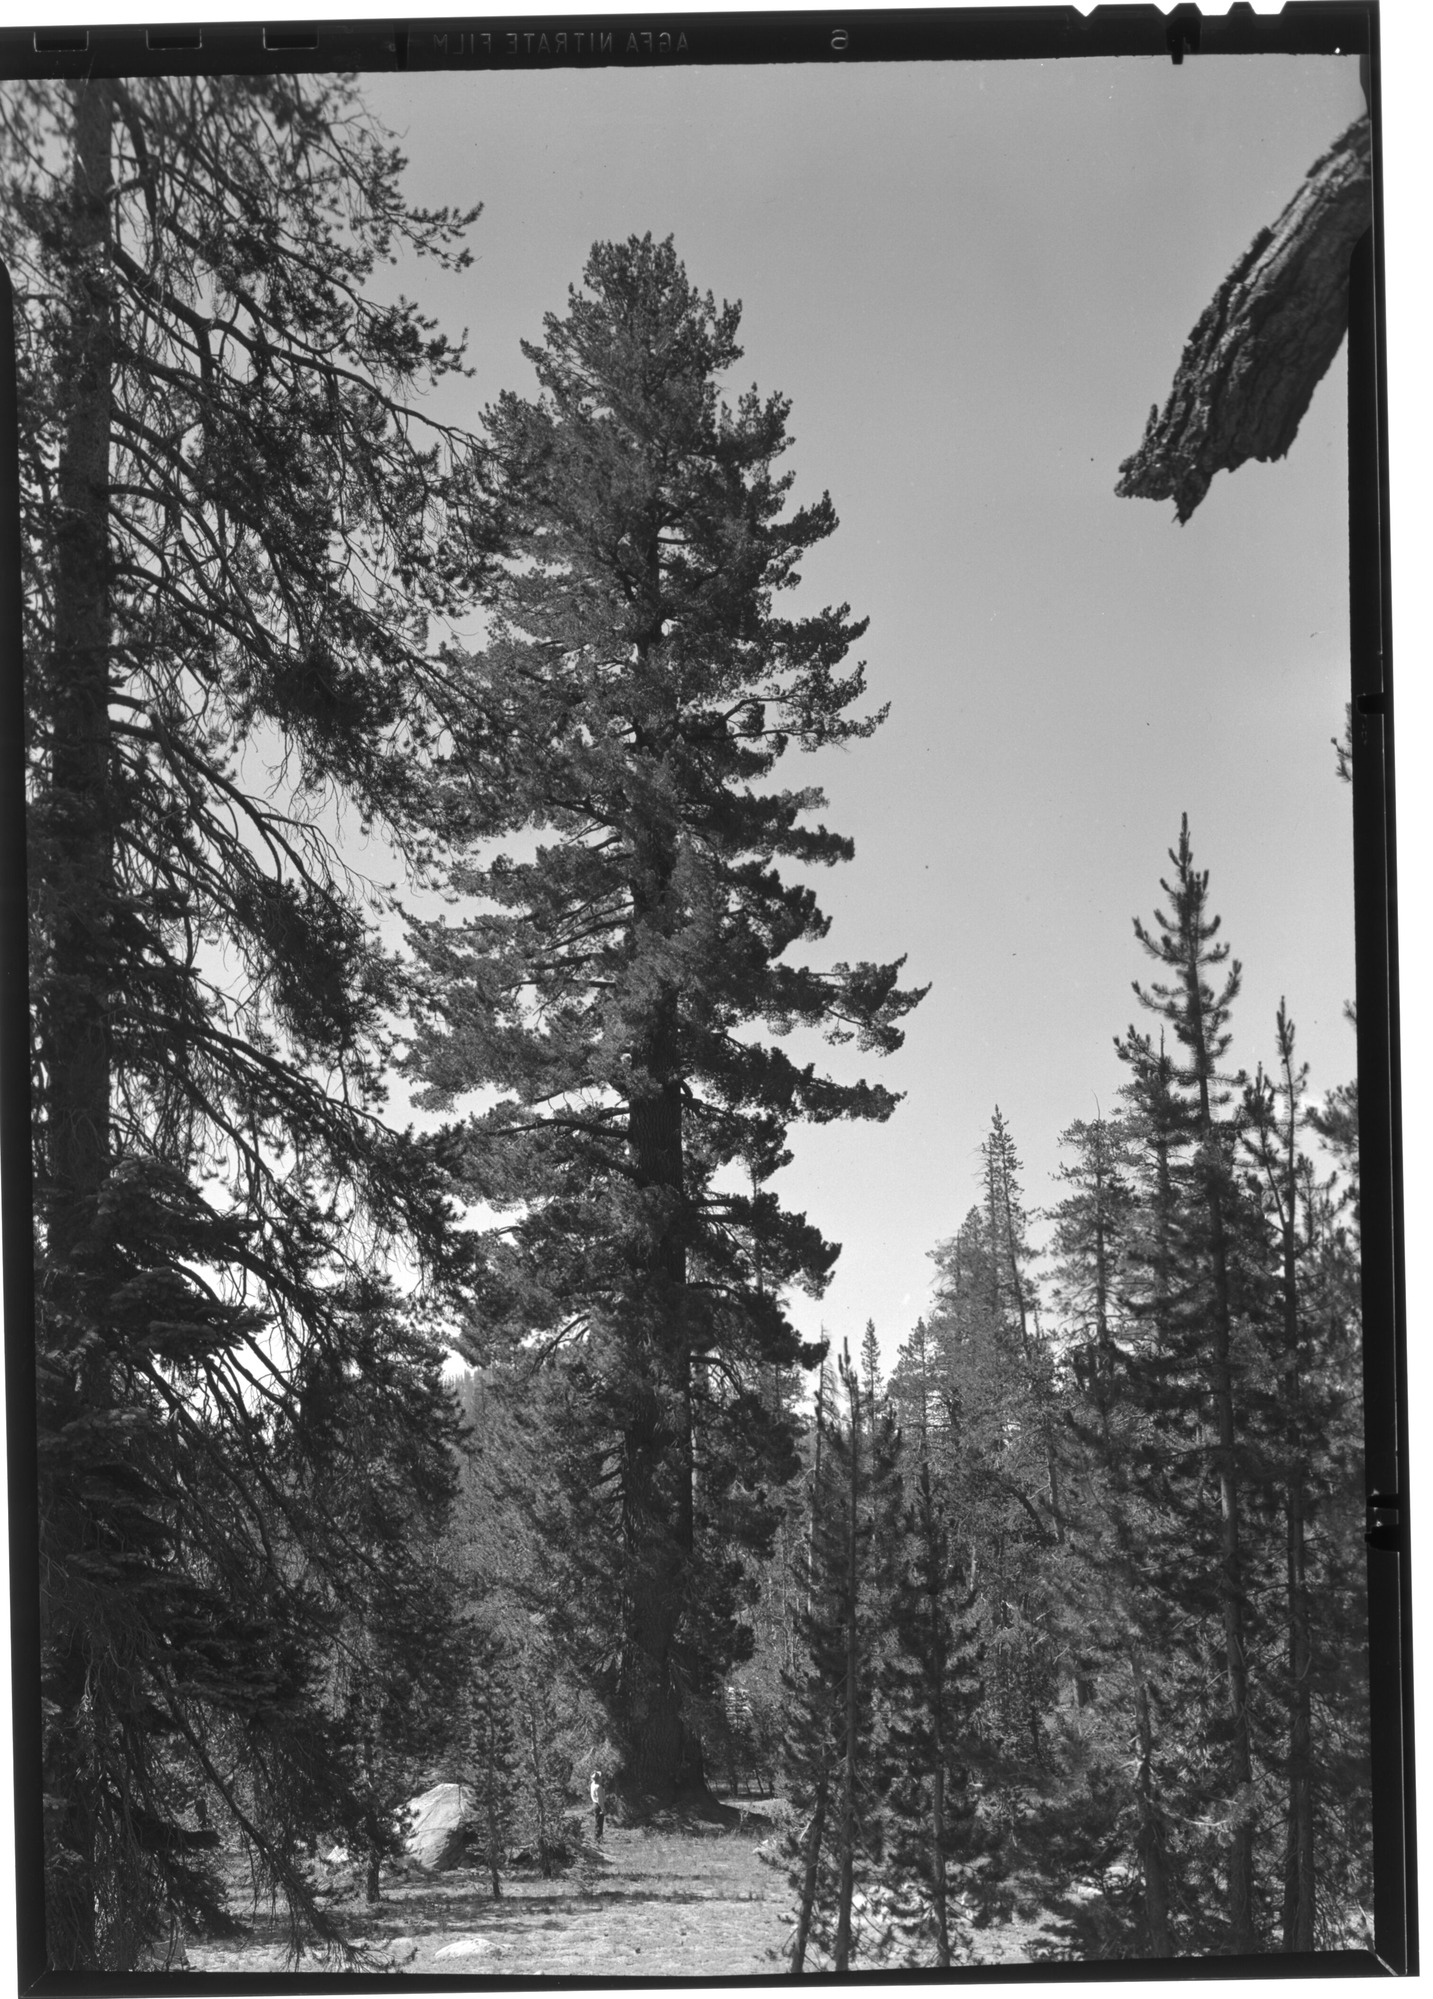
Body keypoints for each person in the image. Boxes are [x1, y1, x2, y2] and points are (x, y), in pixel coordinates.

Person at [590, 1768, 607, 1844]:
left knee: (597, 1822)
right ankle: (598, 1839)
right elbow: (600, 1799)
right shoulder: (598, 1787)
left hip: (594, 1804)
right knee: (599, 1823)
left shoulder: (593, 1784)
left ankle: (597, 1838)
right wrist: (603, 1808)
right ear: (599, 1778)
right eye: (601, 1777)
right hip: (598, 1805)